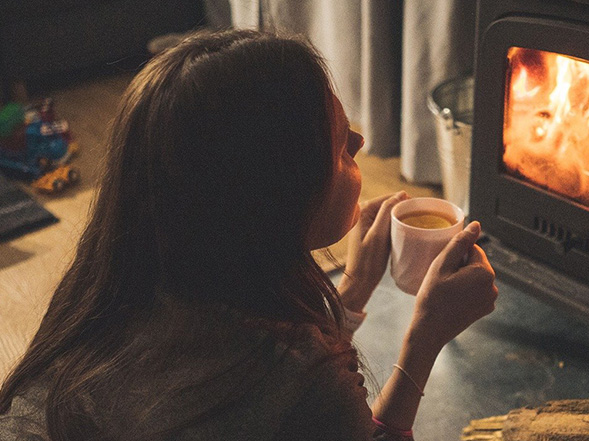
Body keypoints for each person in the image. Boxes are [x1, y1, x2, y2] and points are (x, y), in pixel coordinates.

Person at [0, 29, 497, 440]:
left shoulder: (104, 299)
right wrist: (426, 333)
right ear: (272, 191)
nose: (360, 142)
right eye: (337, 144)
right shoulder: (293, 377)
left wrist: (351, 296)